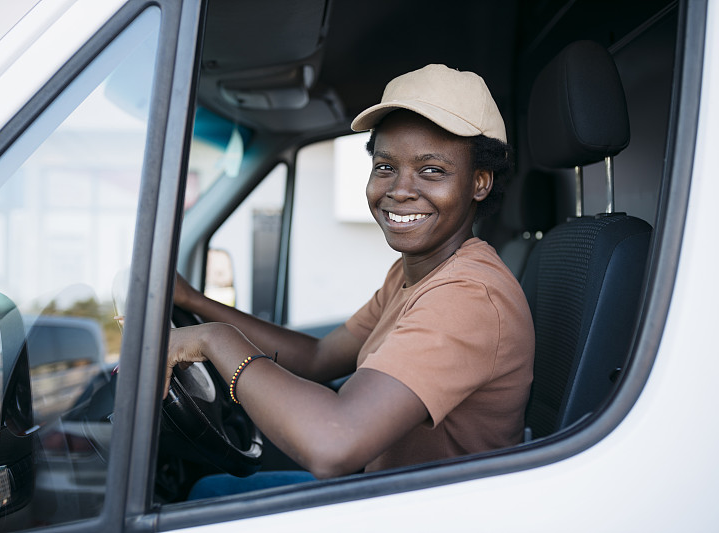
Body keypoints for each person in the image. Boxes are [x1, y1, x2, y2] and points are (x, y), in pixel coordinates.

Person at [166, 64, 535, 496]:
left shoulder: (468, 295)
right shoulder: (416, 269)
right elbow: (321, 357)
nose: (399, 190)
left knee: (196, 502)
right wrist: (196, 302)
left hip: (425, 514)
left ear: (480, 182)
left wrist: (215, 341)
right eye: (385, 167)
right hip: (386, 492)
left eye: (431, 170)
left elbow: (334, 443)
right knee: (206, 491)